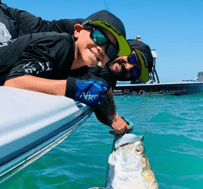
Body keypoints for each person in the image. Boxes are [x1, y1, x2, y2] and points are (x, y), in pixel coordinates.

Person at [1, 8, 132, 135]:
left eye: (111, 50)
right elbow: (13, 82)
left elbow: (101, 89)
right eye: (98, 37)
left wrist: (114, 120)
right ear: (78, 31)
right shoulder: (60, 44)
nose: (101, 49)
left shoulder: (84, 68)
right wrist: (74, 88)